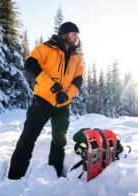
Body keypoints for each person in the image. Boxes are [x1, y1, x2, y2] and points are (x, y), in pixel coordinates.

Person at [7, 22, 83, 180]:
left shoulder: (76, 56)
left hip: (62, 105)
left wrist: (67, 95)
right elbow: (30, 64)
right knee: (28, 137)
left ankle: (54, 174)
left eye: (77, 34)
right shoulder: (47, 47)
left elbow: (78, 79)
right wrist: (52, 86)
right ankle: (14, 178)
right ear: (64, 34)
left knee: (59, 141)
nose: (76, 37)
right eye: (73, 33)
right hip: (42, 100)